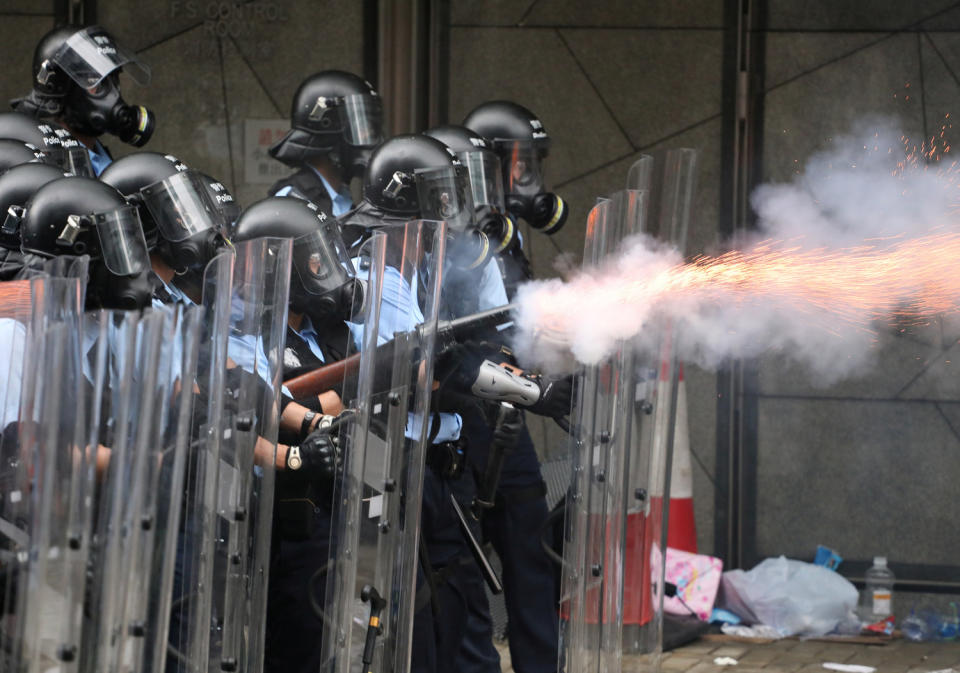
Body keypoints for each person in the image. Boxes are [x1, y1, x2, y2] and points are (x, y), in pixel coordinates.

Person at [461, 101, 573, 673]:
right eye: (520, 162)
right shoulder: (465, 231)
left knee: (530, 553)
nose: (528, 176)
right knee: (460, 568)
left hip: (509, 413)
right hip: (464, 419)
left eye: (534, 162)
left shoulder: (507, 234)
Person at [229, 195, 357, 673]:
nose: (321, 269)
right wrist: (327, 407)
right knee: (294, 646)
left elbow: (366, 388)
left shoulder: (327, 330)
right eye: (312, 257)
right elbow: (261, 406)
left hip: (335, 502)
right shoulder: (249, 331)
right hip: (280, 515)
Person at [12, 24, 156, 174]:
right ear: (57, 92)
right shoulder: (43, 168)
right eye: (96, 82)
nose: (113, 95)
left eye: (113, 80)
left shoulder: (100, 156)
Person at [268, 70, 384, 217]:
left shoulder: (342, 197)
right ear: (326, 130)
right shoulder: (291, 203)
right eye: (360, 126)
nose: (367, 135)